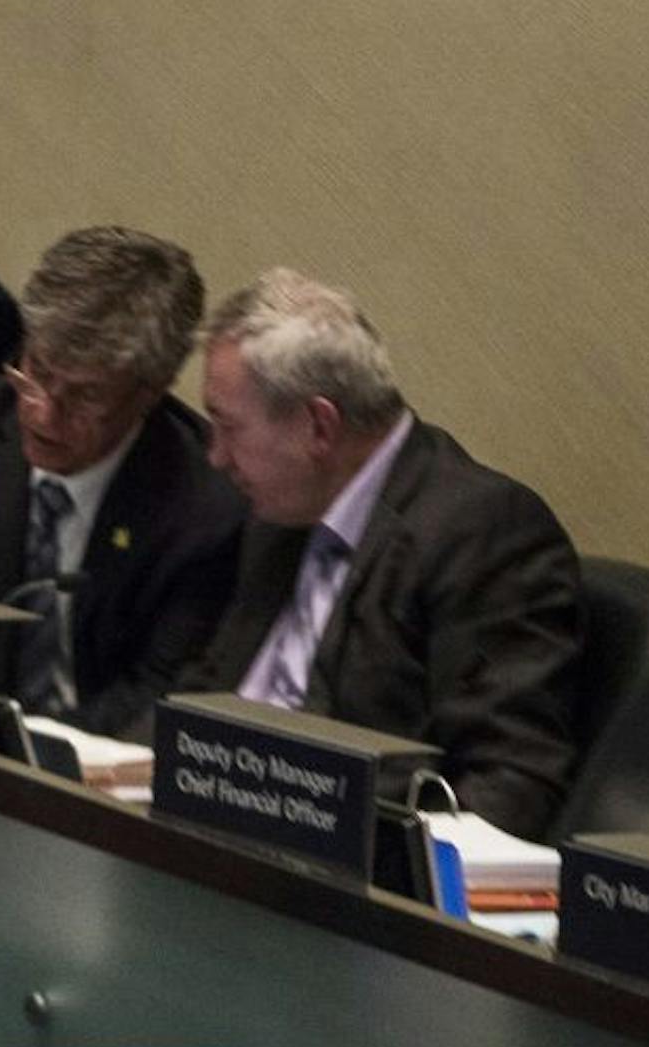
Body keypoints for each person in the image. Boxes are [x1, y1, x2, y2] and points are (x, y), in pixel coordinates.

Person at [181, 267, 581, 840]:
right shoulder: (281, 511)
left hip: (338, 871)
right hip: (213, 832)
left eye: (228, 428)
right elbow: (211, 690)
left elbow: (511, 782)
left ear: (318, 426)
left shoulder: (481, 533)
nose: (215, 457)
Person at [0, 226, 243, 737]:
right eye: (36, 370)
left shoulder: (204, 508)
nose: (42, 414)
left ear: (150, 392)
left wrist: (29, 756)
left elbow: (161, 700)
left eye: (84, 397)